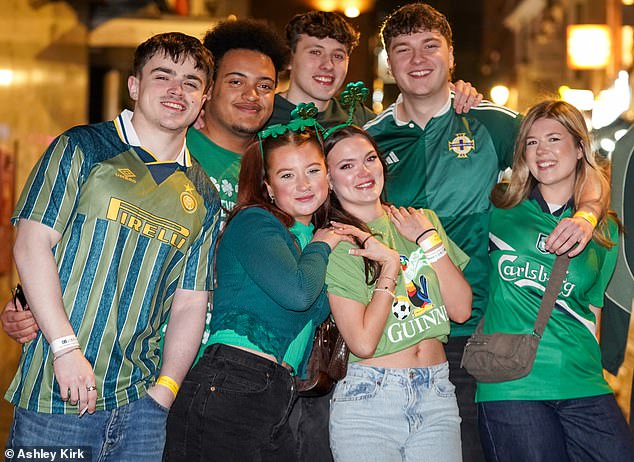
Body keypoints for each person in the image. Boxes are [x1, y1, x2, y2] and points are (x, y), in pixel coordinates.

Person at [365, 4, 603, 460]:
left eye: (430, 46)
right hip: (403, 336)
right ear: (389, 62)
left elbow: (580, 163)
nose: (417, 59)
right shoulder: (372, 139)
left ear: (451, 56)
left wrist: (588, 213)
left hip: (481, 334)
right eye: (403, 50)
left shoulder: (492, 122)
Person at [4, 32, 220, 460]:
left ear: (203, 99)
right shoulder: (82, 147)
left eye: (191, 82)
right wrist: (65, 349)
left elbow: (190, 303)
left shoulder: (205, 195)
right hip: (55, 391)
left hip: (142, 405)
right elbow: (31, 246)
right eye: (164, 76)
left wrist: (165, 392)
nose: (178, 90)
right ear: (135, 86)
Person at [163, 117, 351, 461]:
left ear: (328, 174)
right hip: (232, 379)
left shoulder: (316, 237)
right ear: (267, 186)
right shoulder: (255, 221)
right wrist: (322, 245)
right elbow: (298, 293)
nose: (304, 184)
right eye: (287, 175)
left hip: (277, 391)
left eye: (312, 170)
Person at [475, 100, 634, 462]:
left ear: (580, 148)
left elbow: (592, 314)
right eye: (531, 142)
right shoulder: (498, 210)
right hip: (512, 386)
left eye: (553, 139)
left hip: (583, 384)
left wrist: (590, 213)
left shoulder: (604, 230)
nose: (542, 151)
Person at [322, 125, 472, 461]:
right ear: (328, 180)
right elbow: (361, 342)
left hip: (437, 391)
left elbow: (461, 309)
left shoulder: (421, 220)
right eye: (346, 166)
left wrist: (428, 240)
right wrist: (389, 268)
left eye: (369, 159)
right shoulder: (338, 242)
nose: (363, 172)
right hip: (370, 398)